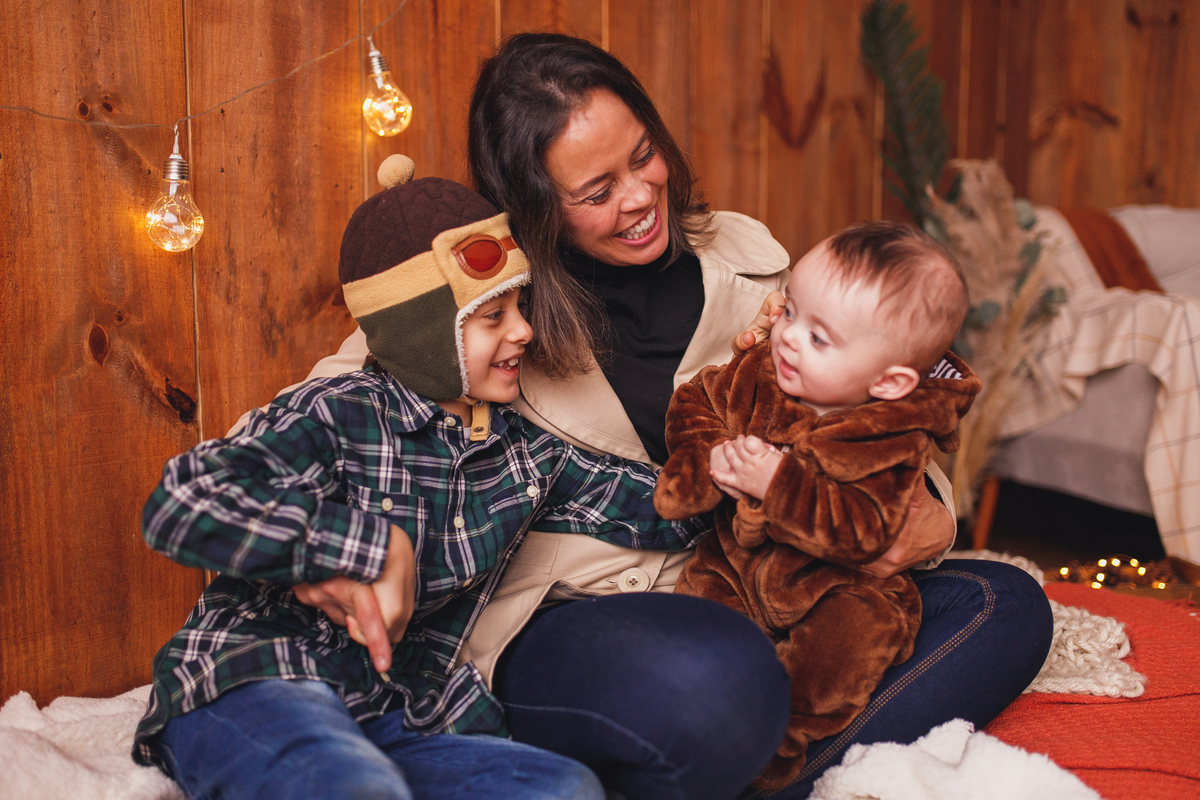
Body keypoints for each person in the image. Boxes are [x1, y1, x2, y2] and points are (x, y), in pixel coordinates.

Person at [293, 32, 1053, 800]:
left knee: (1004, 604)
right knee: (713, 685)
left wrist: (928, 517)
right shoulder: (484, 300)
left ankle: (761, 778)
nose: (639, 195)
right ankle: (729, 747)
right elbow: (319, 415)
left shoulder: (748, 254)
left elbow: (875, 416)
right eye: (596, 192)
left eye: (643, 155)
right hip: (582, 613)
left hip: (776, 571)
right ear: (533, 208)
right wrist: (331, 544)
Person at [131, 166, 748, 800]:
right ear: (425, 336)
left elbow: (663, 505)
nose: (524, 332)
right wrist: (362, 548)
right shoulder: (339, 411)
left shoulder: (525, 456)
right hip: (262, 680)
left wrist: (755, 461)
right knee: (349, 786)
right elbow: (183, 500)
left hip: (398, 712)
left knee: (565, 789)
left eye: (520, 306)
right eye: (492, 318)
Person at [654, 221, 982, 791]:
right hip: (737, 563)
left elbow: (866, 534)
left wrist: (778, 480)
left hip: (837, 586)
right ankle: (701, 724)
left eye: (819, 337)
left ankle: (781, 751)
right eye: (789, 313)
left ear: (890, 382)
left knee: (851, 643)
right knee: (701, 614)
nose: (787, 338)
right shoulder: (762, 373)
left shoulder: (892, 438)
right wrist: (707, 461)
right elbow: (699, 399)